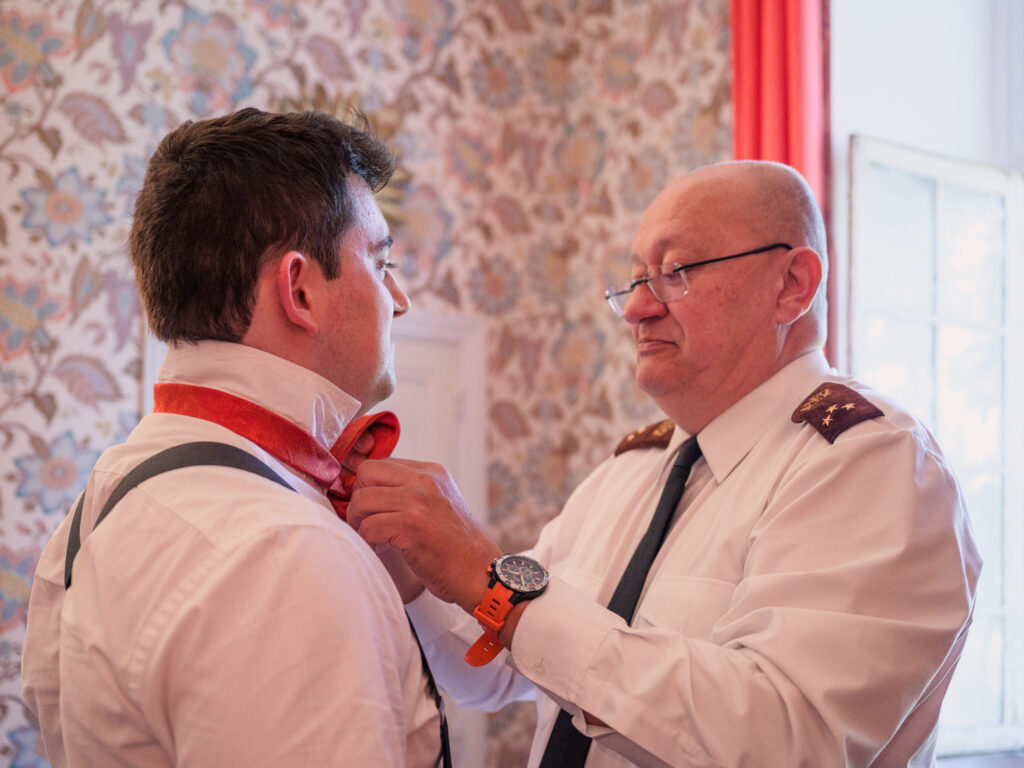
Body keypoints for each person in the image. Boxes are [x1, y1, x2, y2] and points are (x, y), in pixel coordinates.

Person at [348, 160, 983, 767]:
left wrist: (495, 585)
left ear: (791, 285)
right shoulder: (634, 469)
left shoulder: (871, 464)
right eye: (634, 279)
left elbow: (786, 741)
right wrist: (413, 565)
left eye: (676, 271)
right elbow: (494, 663)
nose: (636, 308)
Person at [22, 108, 448, 767]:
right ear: (299, 290)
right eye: (381, 259)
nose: (399, 298)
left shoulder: (106, 494)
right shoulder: (282, 554)